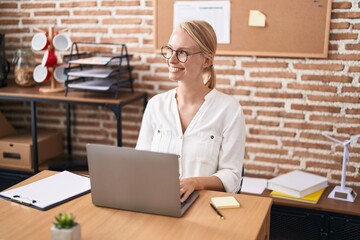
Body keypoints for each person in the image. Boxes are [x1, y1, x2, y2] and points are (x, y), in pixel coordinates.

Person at [136, 20, 245, 202]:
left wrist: (195, 182)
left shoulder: (229, 110)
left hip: (204, 207)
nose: (171, 59)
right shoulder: (156, 105)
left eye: (182, 53)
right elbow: (139, 164)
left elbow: (232, 176)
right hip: (156, 203)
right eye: (170, 50)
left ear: (207, 60)